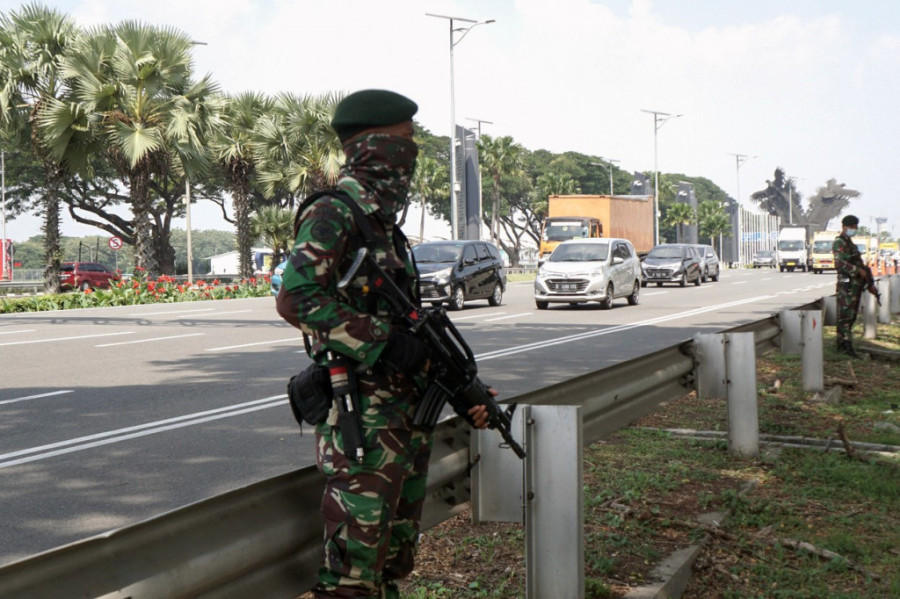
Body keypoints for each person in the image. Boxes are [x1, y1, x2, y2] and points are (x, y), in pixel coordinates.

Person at [275, 89, 490, 598]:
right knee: (352, 578)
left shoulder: (384, 227)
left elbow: (410, 328)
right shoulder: (334, 212)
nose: (412, 154)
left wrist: (465, 390)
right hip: (362, 422)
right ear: (373, 146)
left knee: (391, 565)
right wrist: (383, 343)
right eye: (406, 141)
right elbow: (297, 299)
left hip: (404, 420)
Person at [832, 214, 879, 357]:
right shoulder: (840, 242)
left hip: (855, 285)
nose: (854, 229)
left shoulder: (850, 243)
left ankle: (844, 344)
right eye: (852, 227)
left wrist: (868, 282)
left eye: (855, 227)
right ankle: (845, 346)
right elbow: (839, 263)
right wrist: (857, 270)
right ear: (844, 227)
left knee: (851, 315)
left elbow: (860, 265)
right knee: (845, 314)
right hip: (846, 283)